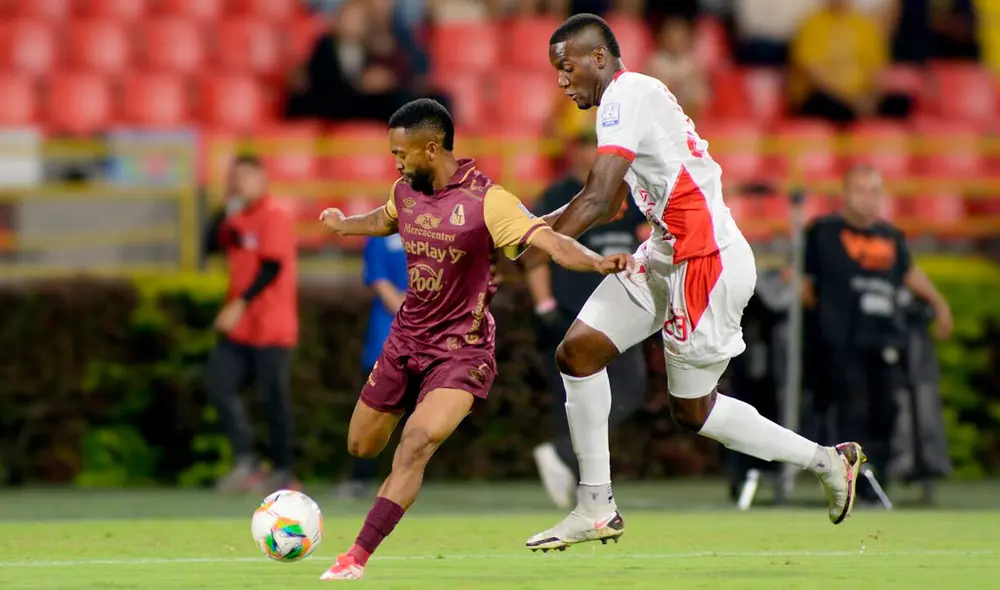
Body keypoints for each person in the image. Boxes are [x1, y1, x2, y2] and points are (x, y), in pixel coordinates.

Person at [520, 14, 867, 552]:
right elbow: (610, 201)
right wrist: (534, 232)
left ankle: (827, 460)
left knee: (694, 411)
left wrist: (528, 244)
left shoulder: (624, 94)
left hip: (704, 261)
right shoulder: (626, 100)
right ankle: (595, 506)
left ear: (598, 58)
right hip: (667, 251)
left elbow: (596, 196)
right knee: (578, 352)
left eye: (566, 68)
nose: (561, 81)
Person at [315, 98, 634, 580]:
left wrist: (595, 261)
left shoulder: (489, 201)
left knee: (417, 442)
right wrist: (344, 226)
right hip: (405, 341)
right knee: (361, 445)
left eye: (401, 154)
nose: (395, 163)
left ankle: (355, 557)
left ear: (430, 148)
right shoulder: (405, 190)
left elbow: (548, 241)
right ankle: (363, 535)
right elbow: (385, 218)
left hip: (462, 351)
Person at [803, 164, 952, 503]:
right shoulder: (823, 232)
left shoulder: (890, 236)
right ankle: (850, 478)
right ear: (844, 193)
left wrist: (939, 303)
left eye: (874, 192)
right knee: (850, 409)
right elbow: (799, 278)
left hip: (884, 340)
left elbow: (909, 272)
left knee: (886, 410)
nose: (868, 199)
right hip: (839, 342)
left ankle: (876, 476)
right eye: (860, 190)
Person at [526, 130, 648, 509]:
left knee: (624, 391)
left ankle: (568, 463)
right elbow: (536, 250)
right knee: (577, 397)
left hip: (619, 308)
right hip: (573, 312)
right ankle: (580, 478)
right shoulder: (557, 195)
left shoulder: (626, 193)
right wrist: (544, 304)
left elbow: (649, 237)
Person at [203, 155, 299, 494]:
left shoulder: (274, 216)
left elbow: (271, 267)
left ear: (262, 179)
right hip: (241, 326)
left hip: (271, 323)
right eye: (235, 178)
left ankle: (284, 469)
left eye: (246, 177)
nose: (240, 183)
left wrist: (239, 304)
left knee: (273, 397)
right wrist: (224, 207)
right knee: (219, 383)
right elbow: (210, 244)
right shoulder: (237, 217)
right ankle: (248, 460)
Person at [338, 234, 409, 498]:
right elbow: (382, 286)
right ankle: (360, 477)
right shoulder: (381, 234)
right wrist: (423, 314)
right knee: (374, 415)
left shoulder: (440, 228)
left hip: (430, 343)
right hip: (387, 341)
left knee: (424, 419)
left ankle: (406, 480)